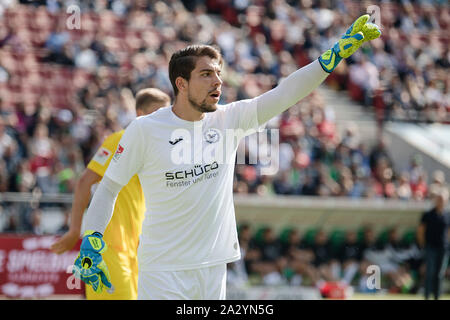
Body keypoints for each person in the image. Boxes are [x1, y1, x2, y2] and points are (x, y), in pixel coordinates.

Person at [73, 15, 381, 299]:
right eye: (206, 74)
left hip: (213, 267)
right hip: (162, 271)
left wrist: (333, 57)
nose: (217, 82)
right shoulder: (144, 129)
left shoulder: (229, 119)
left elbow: (286, 93)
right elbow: (109, 187)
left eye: (218, 74)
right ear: (181, 83)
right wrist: (92, 240)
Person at [51, 88, 171, 300]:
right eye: (157, 113)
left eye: (166, 114)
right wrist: (74, 230)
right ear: (140, 114)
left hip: (136, 254)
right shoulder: (120, 139)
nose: (163, 120)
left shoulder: (156, 152)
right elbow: (84, 182)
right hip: (109, 251)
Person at [418, 188, 450, 300]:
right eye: (439, 199)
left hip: (443, 248)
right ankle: (427, 296)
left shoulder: (447, 215)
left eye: (443, 199)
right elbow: (421, 231)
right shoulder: (428, 214)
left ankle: (437, 296)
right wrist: (423, 245)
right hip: (430, 247)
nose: (441, 201)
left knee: (439, 274)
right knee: (430, 273)